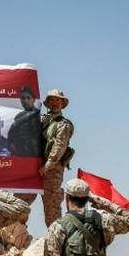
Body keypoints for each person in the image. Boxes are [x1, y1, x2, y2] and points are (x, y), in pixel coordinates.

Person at [40, 88, 74, 226]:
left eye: (57, 100)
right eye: (51, 100)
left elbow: (59, 146)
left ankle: (57, 241)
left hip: (52, 171)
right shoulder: (41, 120)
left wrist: (47, 166)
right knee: (20, 202)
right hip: (35, 168)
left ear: (62, 103)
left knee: (52, 208)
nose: (54, 102)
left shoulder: (63, 124)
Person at [7, 86, 43, 209]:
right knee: (20, 202)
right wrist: (13, 146)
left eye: (28, 98)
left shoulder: (39, 116)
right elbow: (11, 136)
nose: (25, 100)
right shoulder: (19, 117)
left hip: (39, 161)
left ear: (33, 100)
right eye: (23, 98)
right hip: (23, 161)